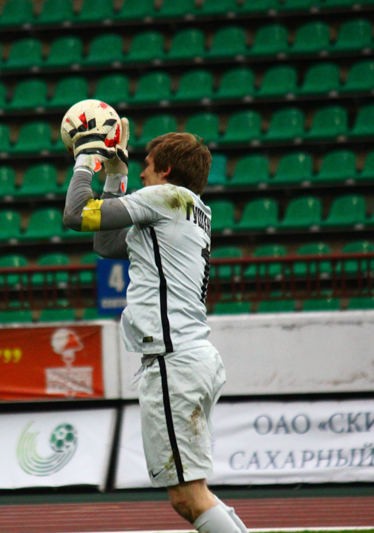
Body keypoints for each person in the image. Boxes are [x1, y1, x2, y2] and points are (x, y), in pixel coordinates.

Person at [62, 114, 248, 533]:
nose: (141, 172)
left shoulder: (164, 197)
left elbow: (75, 215)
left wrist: (85, 160)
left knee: (187, 497)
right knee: (193, 492)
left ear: (164, 171)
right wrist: (116, 175)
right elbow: (106, 244)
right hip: (191, 357)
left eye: (146, 165)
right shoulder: (188, 208)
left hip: (173, 360)